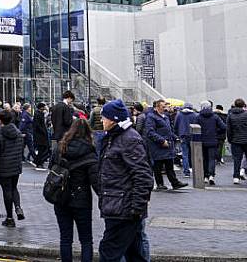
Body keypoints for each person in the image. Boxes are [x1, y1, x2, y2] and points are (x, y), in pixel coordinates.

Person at [97, 99, 154, 262]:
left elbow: (143, 175)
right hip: (117, 206)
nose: (102, 120)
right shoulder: (112, 137)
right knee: (133, 254)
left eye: (104, 117)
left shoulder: (129, 139)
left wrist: (136, 208)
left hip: (124, 209)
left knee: (108, 252)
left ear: (114, 119)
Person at [50, 118, 100, 262]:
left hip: (61, 198)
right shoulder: (90, 152)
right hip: (81, 200)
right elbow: (95, 181)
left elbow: (51, 169)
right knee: (86, 240)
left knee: (65, 238)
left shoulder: (60, 148)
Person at [143, 99, 187, 190]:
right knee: (158, 165)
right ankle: (160, 184)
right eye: (163, 107)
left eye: (165, 106)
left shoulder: (165, 117)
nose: (165, 108)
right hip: (157, 145)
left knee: (169, 164)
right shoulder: (151, 117)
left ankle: (175, 183)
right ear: (157, 107)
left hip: (168, 144)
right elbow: (150, 132)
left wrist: (175, 137)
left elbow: (169, 130)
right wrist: (162, 141)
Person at [0, 108, 25, 227]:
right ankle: (18, 207)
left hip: (3, 166)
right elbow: (21, 150)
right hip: (15, 165)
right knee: (14, 188)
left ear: (0, 120)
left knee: (6, 191)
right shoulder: (18, 133)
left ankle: (10, 218)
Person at [226, 98, 247, 184]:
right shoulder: (246, 114)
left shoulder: (230, 115)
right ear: (243, 105)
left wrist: (230, 139)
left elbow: (228, 129)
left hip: (235, 140)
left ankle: (236, 177)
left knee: (237, 160)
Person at [196, 101, 226, 185]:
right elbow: (223, 127)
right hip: (213, 140)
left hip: (202, 141)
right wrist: (216, 132)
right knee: (212, 159)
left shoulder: (198, 117)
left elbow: (194, 128)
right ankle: (211, 176)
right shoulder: (215, 117)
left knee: (204, 159)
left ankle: (205, 176)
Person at [174, 102, 198, 177]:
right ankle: (195, 170)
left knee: (185, 154)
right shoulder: (194, 115)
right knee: (194, 154)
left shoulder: (179, 114)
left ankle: (186, 172)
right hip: (193, 136)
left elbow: (175, 126)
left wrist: (178, 134)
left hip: (183, 136)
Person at [32, 102, 51, 168]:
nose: (45, 107)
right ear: (41, 107)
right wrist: (43, 131)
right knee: (42, 149)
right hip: (40, 135)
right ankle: (39, 162)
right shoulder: (38, 114)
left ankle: (38, 161)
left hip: (41, 135)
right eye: (44, 106)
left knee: (43, 149)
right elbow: (38, 125)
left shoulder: (40, 113)